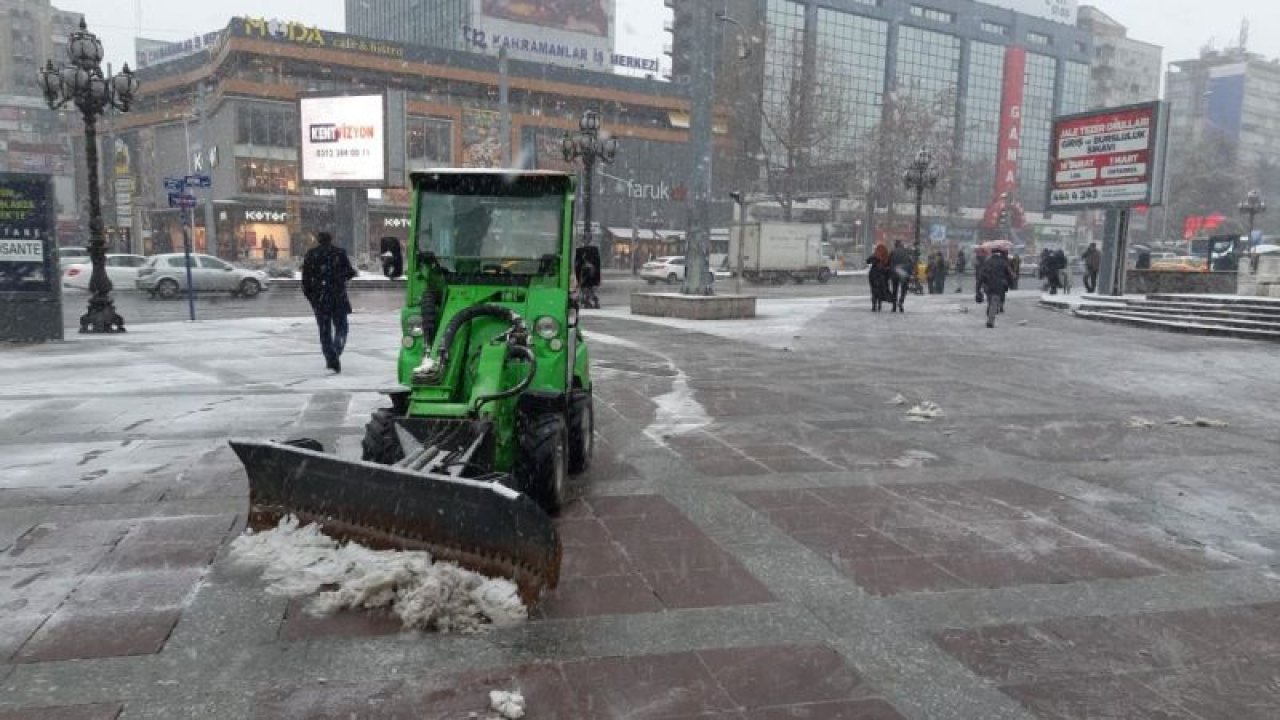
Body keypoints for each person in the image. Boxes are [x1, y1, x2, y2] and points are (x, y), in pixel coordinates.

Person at [302, 231, 358, 373]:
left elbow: (306, 280)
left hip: (320, 299)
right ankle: (336, 349)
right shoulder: (339, 253)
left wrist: (313, 298)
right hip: (338, 297)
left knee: (324, 331)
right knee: (342, 327)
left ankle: (331, 358)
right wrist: (339, 279)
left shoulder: (311, 254)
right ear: (331, 239)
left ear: (318, 240)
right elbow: (350, 272)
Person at [978, 247, 1016, 328]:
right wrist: (1011, 283)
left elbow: (981, 275)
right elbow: (1010, 274)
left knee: (990, 300)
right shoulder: (1003, 262)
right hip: (998, 286)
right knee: (994, 302)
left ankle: (989, 311)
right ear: (999, 253)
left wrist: (978, 288)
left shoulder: (987, 262)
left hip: (987, 286)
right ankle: (990, 322)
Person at [865, 242, 892, 312]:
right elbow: (888, 266)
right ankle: (879, 305)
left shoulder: (875, 256)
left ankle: (874, 306)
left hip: (873, 276)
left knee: (873, 291)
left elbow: (867, 261)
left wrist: (874, 258)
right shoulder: (886, 256)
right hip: (881, 276)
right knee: (880, 291)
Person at [888, 241, 913, 312]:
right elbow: (910, 262)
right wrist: (910, 273)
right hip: (904, 273)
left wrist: (890, 272)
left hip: (895, 272)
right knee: (904, 289)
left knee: (894, 290)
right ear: (901, 245)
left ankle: (894, 306)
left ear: (895, 245)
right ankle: (901, 302)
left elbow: (888, 262)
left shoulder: (892, 252)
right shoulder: (906, 252)